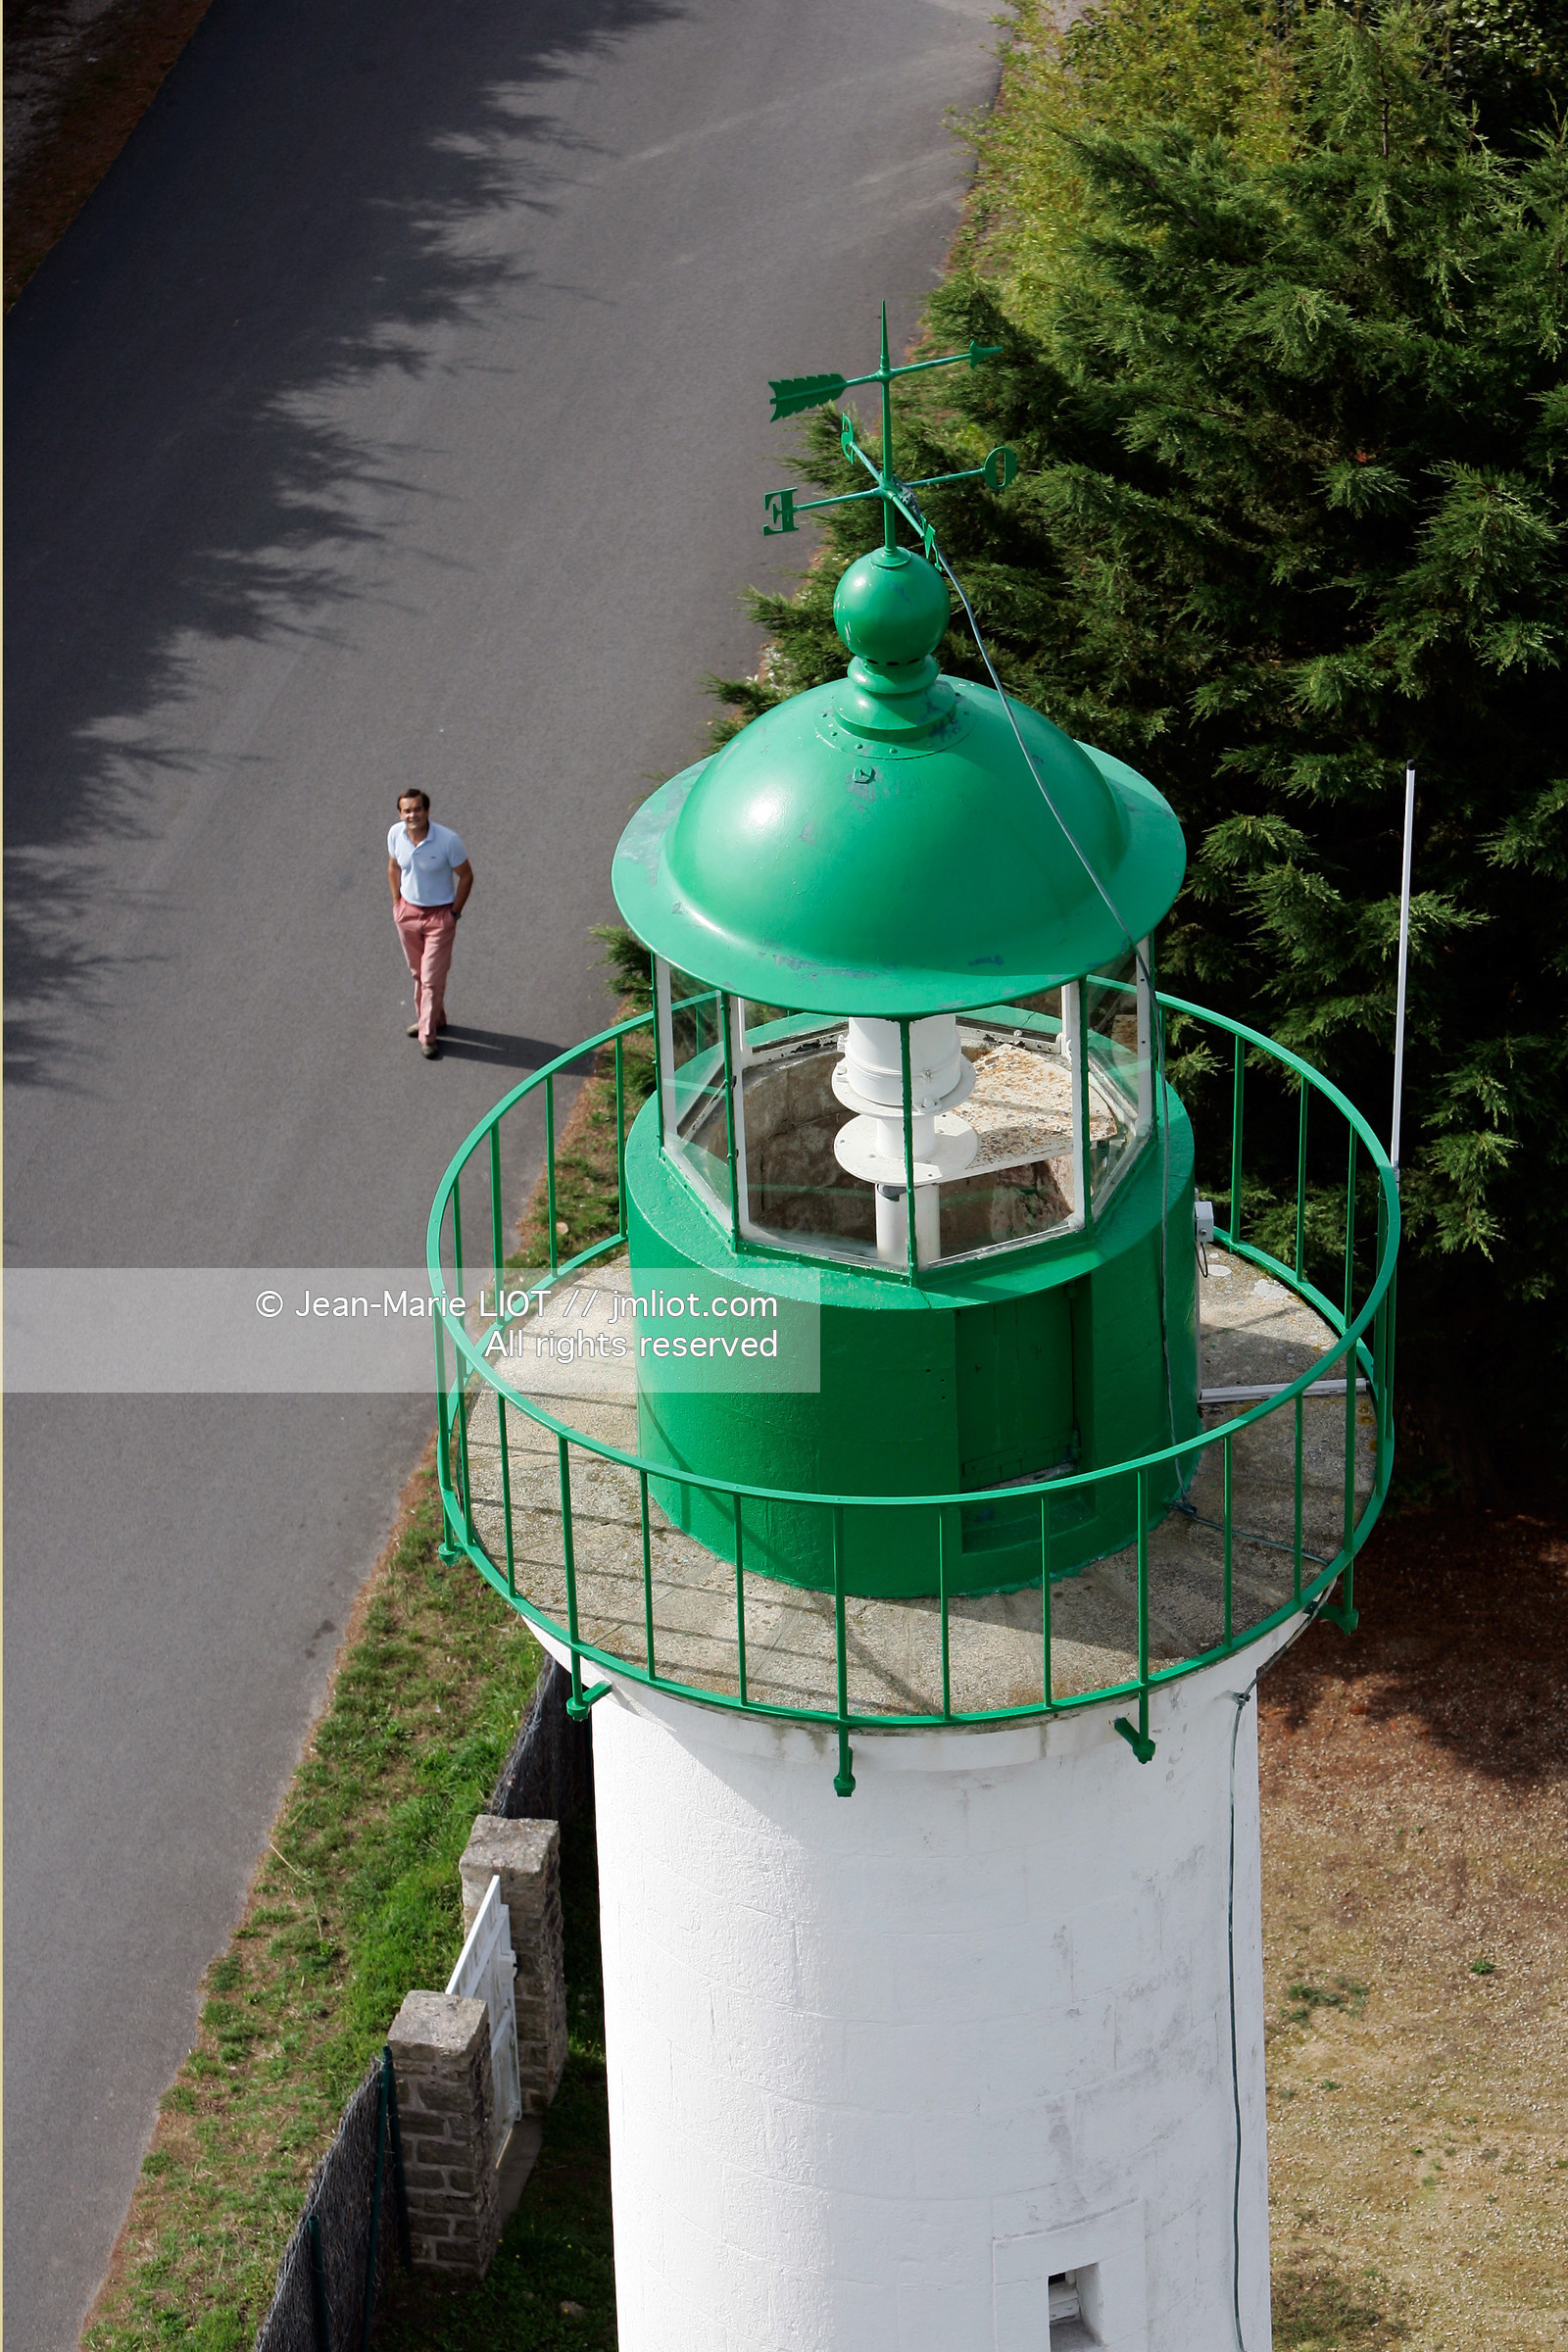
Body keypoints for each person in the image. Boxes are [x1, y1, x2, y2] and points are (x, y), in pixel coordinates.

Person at [388, 791, 473, 1057]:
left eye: (417, 809)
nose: (412, 815)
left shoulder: (448, 841)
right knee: (418, 974)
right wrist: (397, 904)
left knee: (431, 979)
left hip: (439, 918)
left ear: (427, 810)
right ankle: (434, 1018)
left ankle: (427, 1034)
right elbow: (393, 867)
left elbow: (467, 876)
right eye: (407, 811)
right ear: (401, 814)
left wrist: (454, 914)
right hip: (408, 914)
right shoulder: (395, 835)